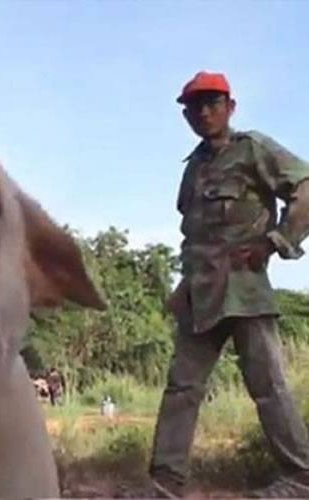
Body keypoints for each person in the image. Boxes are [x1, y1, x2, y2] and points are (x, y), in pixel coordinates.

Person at [149, 71, 309, 498]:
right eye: (195, 105)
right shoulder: (194, 169)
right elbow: (195, 234)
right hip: (200, 295)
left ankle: (300, 477)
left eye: (213, 102)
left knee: (268, 385)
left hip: (245, 289)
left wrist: (277, 241)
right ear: (185, 114)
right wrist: (183, 284)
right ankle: (165, 483)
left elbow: (305, 186)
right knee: (182, 388)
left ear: (230, 107)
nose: (204, 111)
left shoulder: (252, 148)